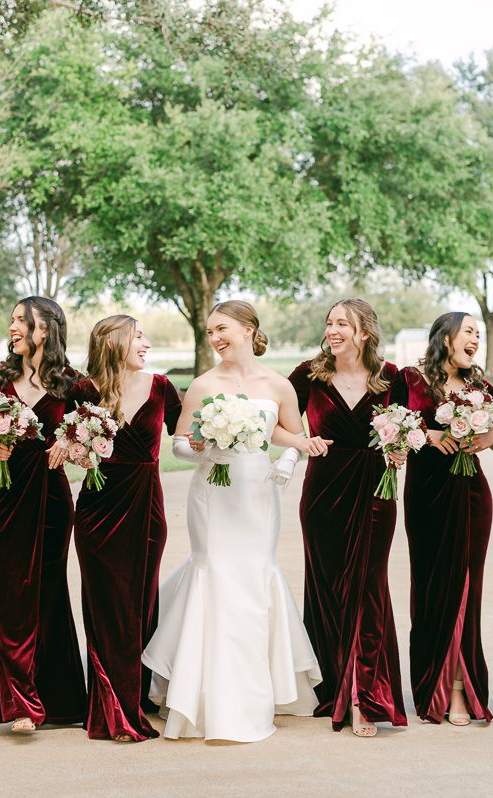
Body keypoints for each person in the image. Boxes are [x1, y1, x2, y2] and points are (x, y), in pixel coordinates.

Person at [143, 299, 326, 742]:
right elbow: (179, 444)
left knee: (253, 575)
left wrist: (291, 457)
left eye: (222, 328)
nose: (216, 338)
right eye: (210, 332)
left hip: (257, 493)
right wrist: (206, 447)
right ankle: (204, 692)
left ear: (248, 330)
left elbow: (286, 435)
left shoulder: (280, 384)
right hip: (214, 493)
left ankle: (255, 685)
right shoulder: (204, 385)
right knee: (216, 572)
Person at [288, 299, 408, 736]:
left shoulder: (392, 377)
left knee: (368, 588)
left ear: (365, 333)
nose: (333, 329)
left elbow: (408, 428)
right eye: (330, 322)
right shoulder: (308, 374)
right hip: (323, 494)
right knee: (328, 590)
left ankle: (364, 695)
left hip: (376, 492)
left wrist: (400, 448)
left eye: (343, 323)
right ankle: (335, 684)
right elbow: (276, 423)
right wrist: (302, 442)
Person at [0, 296, 86, 733]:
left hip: (53, 502)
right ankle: (18, 703)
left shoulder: (73, 384)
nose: (14, 326)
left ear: (48, 329)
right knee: (8, 595)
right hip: (4, 496)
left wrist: (73, 444)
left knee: (48, 591)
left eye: (23, 319)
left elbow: (99, 435)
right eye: (13, 320)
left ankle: (58, 699)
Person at [71, 315, 183, 741]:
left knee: (140, 602)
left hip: (145, 508)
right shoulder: (84, 391)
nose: (146, 343)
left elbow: (187, 438)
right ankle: (107, 703)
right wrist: (74, 450)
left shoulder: (162, 387)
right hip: (98, 509)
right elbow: (65, 441)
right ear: (114, 342)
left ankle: (133, 699)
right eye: (138, 336)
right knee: (104, 604)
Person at [403, 312, 493, 725]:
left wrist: (483, 436)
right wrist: (428, 434)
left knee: (467, 587)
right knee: (431, 587)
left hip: (470, 493)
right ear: (446, 338)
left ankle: (460, 689)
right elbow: (389, 424)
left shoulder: (479, 386)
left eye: (478, 335)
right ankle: (432, 685)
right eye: (469, 332)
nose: (475, 340)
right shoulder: (412, 380)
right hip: (426, 496)